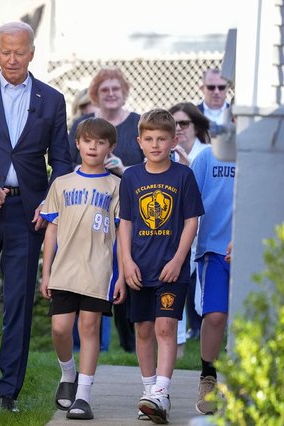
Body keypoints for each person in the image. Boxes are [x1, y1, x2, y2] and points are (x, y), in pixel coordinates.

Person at [0, 21, 72, 412]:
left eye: (19, 52)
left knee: (18, 302)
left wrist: (49, 202)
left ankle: (8, 392)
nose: (12, 59)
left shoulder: (52, 99)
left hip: (29, 212)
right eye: (5, 51)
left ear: (32, 52)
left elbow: (62, 160)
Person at [119, 109, 204, 423]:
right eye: (149, 139)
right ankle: (148, 391)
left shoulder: (183, 176)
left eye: (162, 139)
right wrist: (126, 262)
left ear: (174, 140)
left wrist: (179, 259)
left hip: (172, 268)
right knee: (143, 330)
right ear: (140, 141)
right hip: (140, 269)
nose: (156, 144)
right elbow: (125, 224)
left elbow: (191, 221)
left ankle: (161, 392)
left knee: (165, 328)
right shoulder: (131, 177)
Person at [40, 117, 126, 420]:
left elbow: (121, 235)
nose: (93, 146)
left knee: (89, 328)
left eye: (101, 142)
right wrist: (46, 272)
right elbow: (51, 230)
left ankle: (84, 396)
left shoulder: (116, 186)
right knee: (60, 328)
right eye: (88, 140)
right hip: (65, 269)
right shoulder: (62, 184)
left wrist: (121, 275)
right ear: (77, 143)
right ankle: (68, 374)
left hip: (98, 270)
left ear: (110, 148)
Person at [70, 67, 142, 354]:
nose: (111, 94)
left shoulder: (138, 124)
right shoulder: (82, 124)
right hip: (89, 212)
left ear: (124, 92)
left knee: (126, 275)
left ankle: (129, 345)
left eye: (116, 89)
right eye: (104, 90)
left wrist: (123, 169)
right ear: (95, 95)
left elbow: (151, 169)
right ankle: (89, 344)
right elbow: (66, 165)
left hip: (128, 212)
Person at [190, 146, 235, 415]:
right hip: (215, 250)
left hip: (256, 247)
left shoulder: (271, 153)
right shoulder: (209, 156)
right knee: (215, 315)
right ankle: (209, 377)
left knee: (249, 319)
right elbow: (189, 201)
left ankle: (246, 382)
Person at [169, 102, 211, 347]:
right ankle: (179, 346)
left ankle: (216, 349)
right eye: (173, 124)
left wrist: (186, 173)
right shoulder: (162, 152)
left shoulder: (208, 153)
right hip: (177, 233)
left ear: (196, 126)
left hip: (205, 231)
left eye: (184, 123)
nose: (178, 129)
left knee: (200, 301)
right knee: (174, 288)